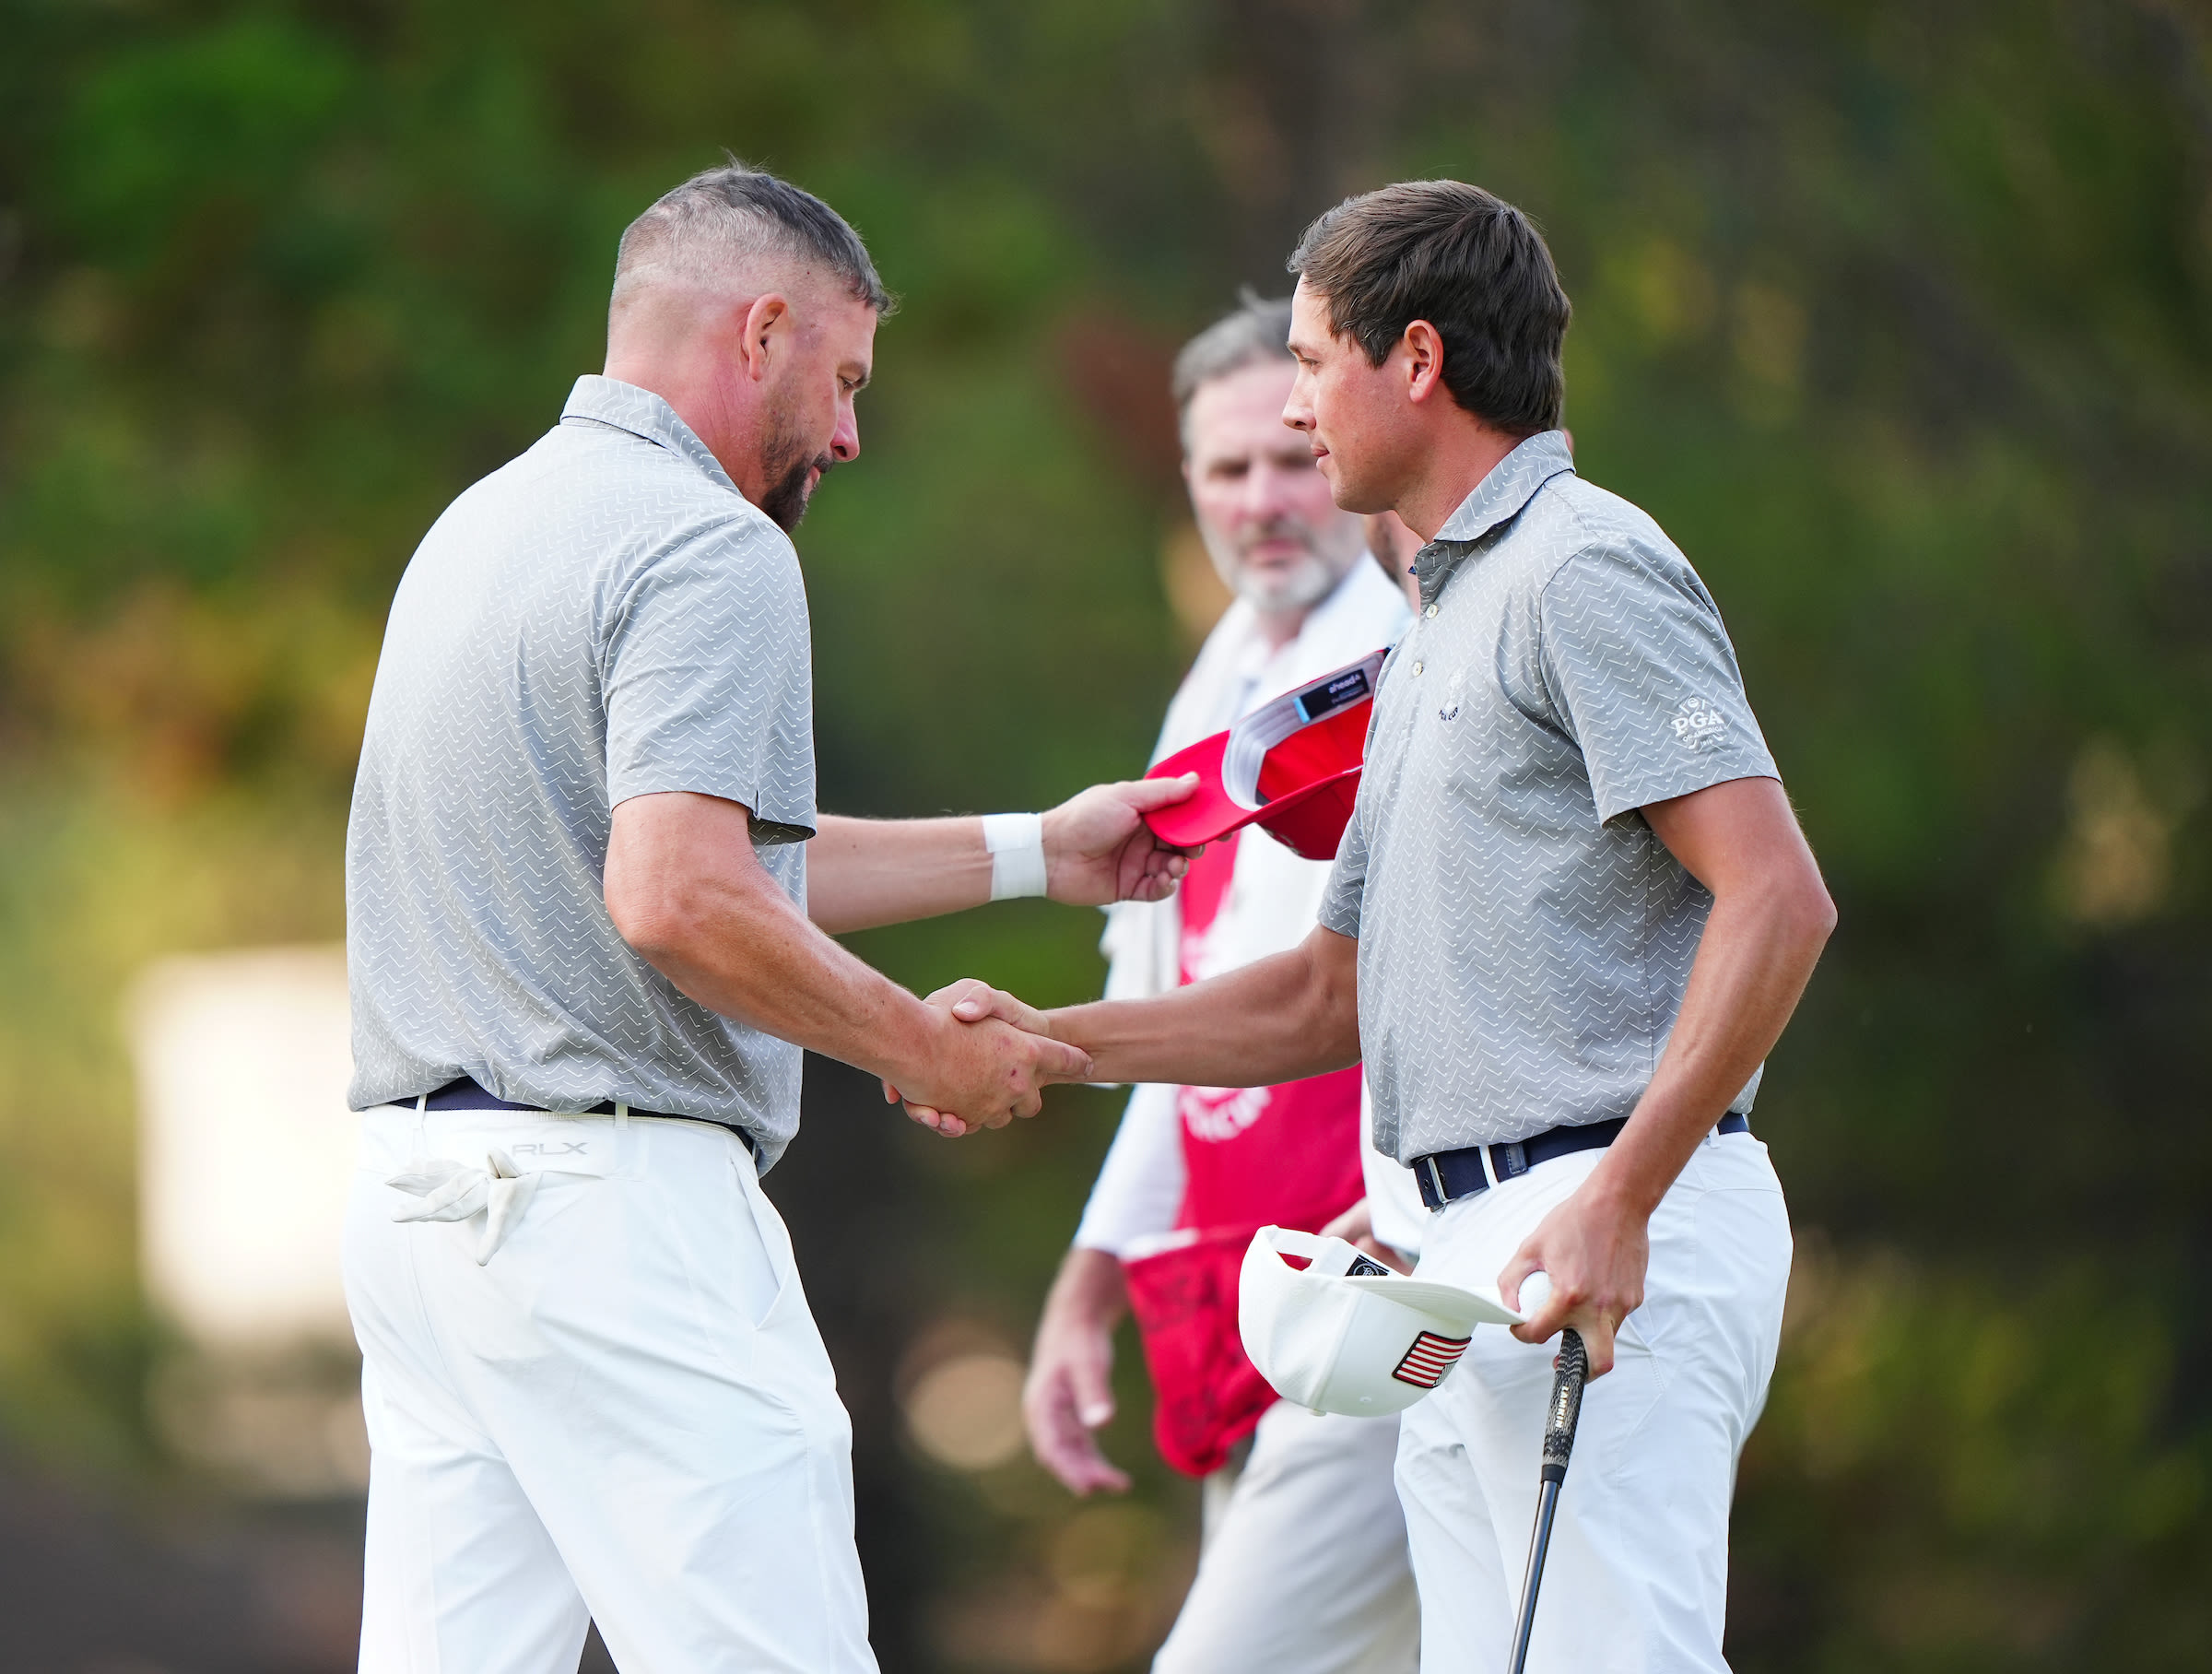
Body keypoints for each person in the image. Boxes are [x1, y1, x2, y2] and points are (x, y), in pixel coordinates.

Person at [919, 181, 1836, 1672]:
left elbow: (1778, 895)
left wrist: (1623, 1198)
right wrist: (1041, 1043)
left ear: (1416, 360)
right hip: (1449, 1258)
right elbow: (1317, 1000)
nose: (1293, 403)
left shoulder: (1581, 566)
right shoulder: (1432, 622)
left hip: (1603, 1230)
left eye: (1307, 361)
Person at [341, 161, 1194, 1674]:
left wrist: (1036, 853)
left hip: (424, 1219)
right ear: (762, 332)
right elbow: (677, 897)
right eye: (848, 377)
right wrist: (920, 1050)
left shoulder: (481, 527)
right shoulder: (707, 543)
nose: (854, 431)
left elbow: (708, 852)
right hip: (614, 1220)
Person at [1022, 295, 1424, 1674]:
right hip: (1262, 1307)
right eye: (1224, 469)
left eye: (1289, 458)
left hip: (1390, 1280)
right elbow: (1175, 1027)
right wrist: (1090, 1277)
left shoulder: (1412, 655)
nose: (1262, 500)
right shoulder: (1215, 691)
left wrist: (1028, 1045)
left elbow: (1343, 999)